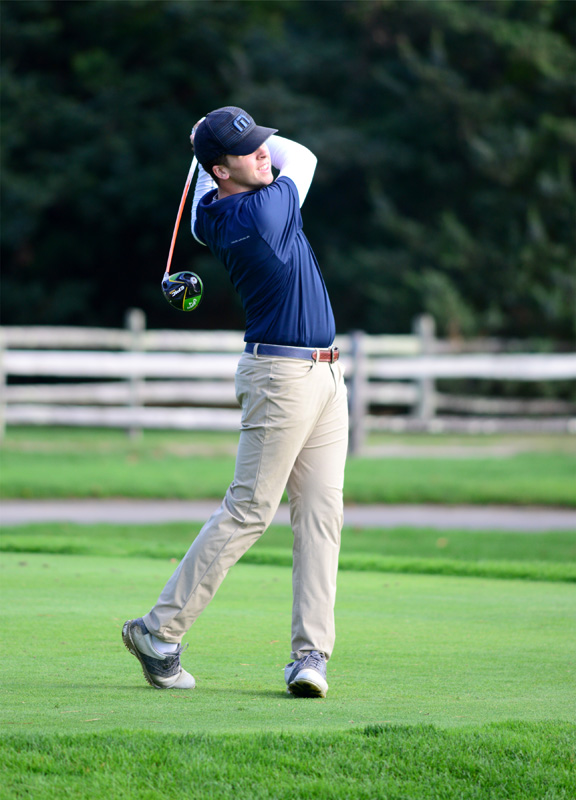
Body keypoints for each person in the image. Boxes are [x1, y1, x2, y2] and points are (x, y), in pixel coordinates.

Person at [122, 106, 348, 698]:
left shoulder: (211, 214)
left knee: (321, 514)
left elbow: (223, 179)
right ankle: (158, 632)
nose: (265, 152)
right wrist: (206, 142)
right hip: (282, 377)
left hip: (325, 375)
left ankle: (310, 655)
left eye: (262, 142)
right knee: (249, 509)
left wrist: (212, 144)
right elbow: (305, 156)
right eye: (249, 150)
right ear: (222, 170)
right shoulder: (264, 209)